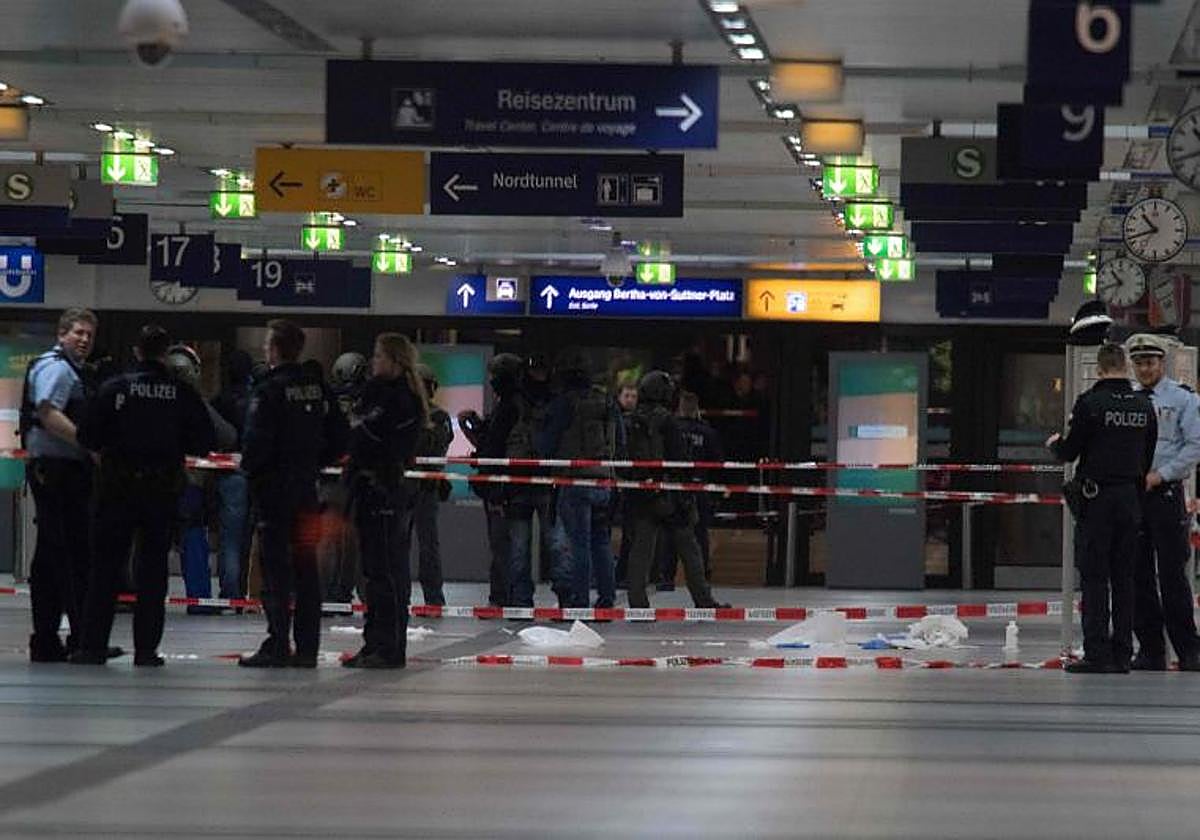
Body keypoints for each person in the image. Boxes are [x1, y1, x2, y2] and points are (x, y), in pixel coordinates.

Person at [70, 326, 216, 666]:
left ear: (137, 351)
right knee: (153, 572)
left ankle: (92, 646)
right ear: (165, 354)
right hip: (161, 491)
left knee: (105, 569)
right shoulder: (180, 392)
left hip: (116, 489)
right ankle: (147, 650)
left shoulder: (114, 388)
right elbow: (205, 441)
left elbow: (87, 435)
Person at [238, 320, 347, 668]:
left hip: (274, 493)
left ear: (273, 348)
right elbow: (341, 436)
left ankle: (277, 643)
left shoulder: (268, 390)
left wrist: (252, 472)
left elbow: (255, 445)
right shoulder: (317, 387)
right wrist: (316, 462)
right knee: (306, 569)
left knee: (276, 571)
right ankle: (307, 648)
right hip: (306, 491)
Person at [1047, 343, 1157, 674]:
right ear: (1124, 366)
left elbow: (1070, 451)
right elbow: (1147, 455)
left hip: (1097, 500)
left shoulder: (1090, 403)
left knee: (1096, 577)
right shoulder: (1144, 405)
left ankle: (1097, 652)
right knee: (1125, 577)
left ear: (1099, 369)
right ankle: (1123, 652)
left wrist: (1055, 445)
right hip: (1130, 498)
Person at [19, 308, 101, 662]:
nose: (83, 340)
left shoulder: (71, 370)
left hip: (59, 469)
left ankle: (54, 636)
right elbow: (49, 412)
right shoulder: (56, 368)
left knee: (56, 553)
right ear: (62, 334)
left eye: (89, 335)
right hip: (56, 470)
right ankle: (68, 637)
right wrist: (88, 445)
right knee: (65, 553)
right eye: (78, 333)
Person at [343, 334, 426, 669]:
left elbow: (374, 437)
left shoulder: (402, 400)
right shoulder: (374, 393)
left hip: (386, 489)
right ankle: (373, 641)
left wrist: (362, 434)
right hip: (366, 487)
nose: (374, 361)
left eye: (379, 356)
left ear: (394, 360)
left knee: (387, 573)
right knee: (372, 572)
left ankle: (390, 646)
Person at [1125, 333, 1200, 671]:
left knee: (1172, 575)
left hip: (1166, 494)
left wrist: (1162, 474)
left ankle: (1188, 651)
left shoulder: (1184, 400)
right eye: (1139, 363)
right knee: (1137, 574)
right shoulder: (1126, 398)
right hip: (1133, 496)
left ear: (1162, 363)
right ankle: (1151, 650)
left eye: (1150, 362)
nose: (1144, 368)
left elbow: (1194, 447)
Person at [624, 371, 730, 610]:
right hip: (672, 494)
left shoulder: (632, 420)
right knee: (690, 549)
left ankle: (638, 604)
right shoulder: (668, 421)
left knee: (641, 551)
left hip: (643, 493)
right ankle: (703, 599)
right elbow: (680, 459)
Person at [541, 348, 622, 609]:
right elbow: (620, 440)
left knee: (579, 544)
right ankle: (607, 599)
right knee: (601, 541)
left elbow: (547, 443)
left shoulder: (564, 403)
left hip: (574, 481)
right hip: (604, 481)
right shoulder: (607, 400)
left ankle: (579, 601)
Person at [166, 344, 236, 614]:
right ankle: (199, 600)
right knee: (193, 538)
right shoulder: (195, 403)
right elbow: (227, 436)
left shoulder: (152, 397)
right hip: (189, 483)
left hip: (148, 482)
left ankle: (142, 597)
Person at [500, 354, 571, 608]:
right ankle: (563, 597)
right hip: (543, 482)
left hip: (523, 482)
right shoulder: (557, 401)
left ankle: (522, 600)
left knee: (526, 547)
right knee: (555, 543)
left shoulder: (515, 402)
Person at [458, 353, 523, 606]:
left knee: (503, 545)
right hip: (502, 483)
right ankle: (507, 595)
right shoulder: (508, 405)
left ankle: (503, 596)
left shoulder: (509, 408)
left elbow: (493, 445)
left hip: (501, 485)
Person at [657, 390, 722, 589]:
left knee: (670, 532)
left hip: (674, 485)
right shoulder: (707, 432)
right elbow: (717, 461)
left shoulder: (671, 428)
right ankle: (701, 578)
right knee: (699, 533)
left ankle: (666, 577)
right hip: (698, 485)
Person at [319, 351, 369, 606]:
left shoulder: (326, 401)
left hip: (328, 480)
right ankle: (346, 593)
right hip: (356, 479)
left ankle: (326, 594)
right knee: (354, 541)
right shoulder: (366, 402)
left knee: (327, 539)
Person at [211, 349, 255, 603]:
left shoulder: (221, 400)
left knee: (230, 537)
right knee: (252, 537)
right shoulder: (258, 398)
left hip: (229, 473)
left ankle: (231, 592)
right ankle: (249, 590)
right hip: (256, 471)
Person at [409, 363, 453, 606]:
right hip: (416, 485)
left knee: (424, 545)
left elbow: (436, 447)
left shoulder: (434, 417)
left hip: (420, 486)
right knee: (422, 544)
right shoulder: (434, 416)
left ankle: (432, 598)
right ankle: (430, 597)